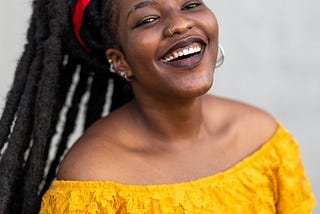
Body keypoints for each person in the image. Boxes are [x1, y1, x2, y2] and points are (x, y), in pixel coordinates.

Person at [0, 0, 316, 213]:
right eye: (148, 19)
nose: (180, 24)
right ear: (120, 61)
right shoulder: (92, 180)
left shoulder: (263, 140)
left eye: (191, 4)